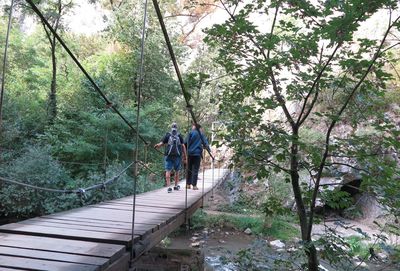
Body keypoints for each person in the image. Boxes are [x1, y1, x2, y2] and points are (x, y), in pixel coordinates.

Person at [155, 123, 187, 193]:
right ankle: (176, 185)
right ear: (177, 128)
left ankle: (169, 187)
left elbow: (162, 143)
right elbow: (183, 146)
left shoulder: (168, 135)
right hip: (177, 156)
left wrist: (157, 145)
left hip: (168, 155)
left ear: (171, 128)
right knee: (177, 171)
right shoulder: (179, 135)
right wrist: (185, 156)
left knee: (168, 170)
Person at [185, 123, 211, 190]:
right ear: (199, 128)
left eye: (193, 126)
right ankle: (194, 185)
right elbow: (205, 143)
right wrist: (209, 151)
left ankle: (188, 184)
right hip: (197, 154)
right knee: (195, 169)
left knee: (189, 169)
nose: (192, 127)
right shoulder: (201, 134)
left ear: (194, 127)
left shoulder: (190, 133)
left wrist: (184, 153)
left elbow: (185, 143)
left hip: (190, 153)